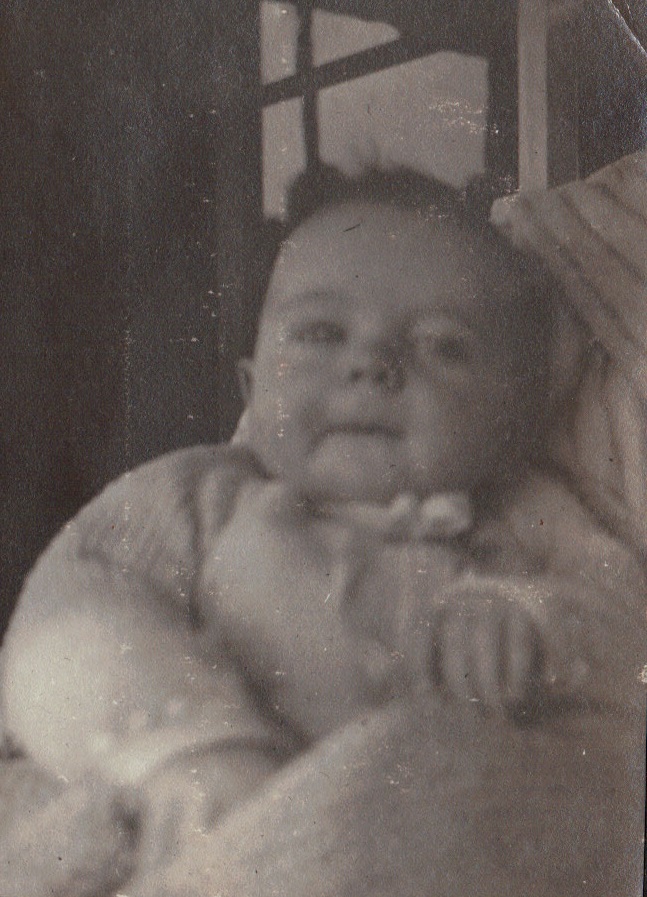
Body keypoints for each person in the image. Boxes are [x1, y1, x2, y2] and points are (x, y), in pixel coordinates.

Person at [1, 167, 644, 894]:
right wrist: (184, 750)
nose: (372, 365)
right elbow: (70, 615)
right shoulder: (201, 495)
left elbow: (624, 629)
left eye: (443, 345)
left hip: (397, 820)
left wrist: (530, 621)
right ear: (252, 390)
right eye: (321, 333)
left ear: (511, 419)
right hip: (175, 786)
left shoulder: (526, 518)